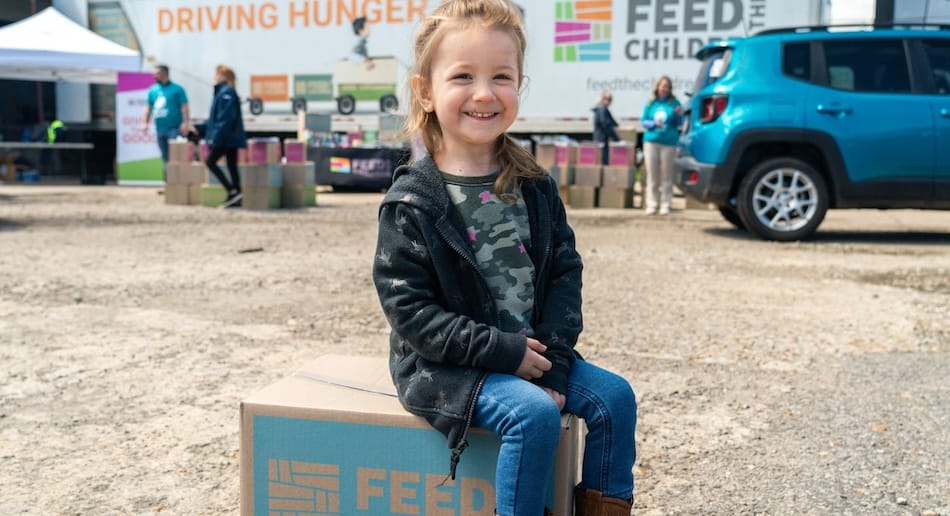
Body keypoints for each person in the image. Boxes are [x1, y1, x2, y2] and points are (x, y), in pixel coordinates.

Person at [371, 2, 636, 515]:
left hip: (531, 355)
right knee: (533, 416)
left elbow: (564, 275)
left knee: (615, 398)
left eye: (502, 76)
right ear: (425, 91)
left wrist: (554, 364)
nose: (485, 93)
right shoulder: (412, 202)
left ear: (520, 84)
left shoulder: (533, 184)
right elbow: (411, 314)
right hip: (445, 366)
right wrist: (503, 352)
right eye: (463, 76)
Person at [195, 65, 247, 208]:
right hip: (229, 137)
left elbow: (225, 119)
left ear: (224, 76)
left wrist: (215, 137)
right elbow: (214, 120)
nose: (215, 76)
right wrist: (200, 129)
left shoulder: (226, 93)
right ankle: (236, 195)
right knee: (232, 165)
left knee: (210, 162)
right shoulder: (224, 93)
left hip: (226, 138)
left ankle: (232, 191)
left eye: (218, 74)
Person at [640, 75, 682, 215]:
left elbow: (679, 123)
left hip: (669, 143)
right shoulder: (650, 104)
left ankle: (666, 204)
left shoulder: (674, 103)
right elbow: (643, 122)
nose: (665, 89)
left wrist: (677, 115)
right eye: (663, 86)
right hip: (651, 142)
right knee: (652, 174)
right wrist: (653, 124)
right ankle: (652, 204)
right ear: (657, 87)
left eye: (667, 87)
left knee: (667, 175)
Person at [142, 64, 191, 179]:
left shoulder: (177, 89)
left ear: (165, 74)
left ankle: (178, 182)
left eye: (157, 73)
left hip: (174, 129)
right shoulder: (153, 90)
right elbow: (148, 108)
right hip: (160, 129)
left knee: (175, 157)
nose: (154, 76)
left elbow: (185, 107)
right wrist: (144, 122)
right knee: (165, 157)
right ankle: (169, 184)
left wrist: (185, 123)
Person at [592, 89, 620, 165]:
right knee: (603, 162)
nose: (608, 101)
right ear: (602, 98)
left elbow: (614, 123)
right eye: (606, 98)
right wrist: (616, 138)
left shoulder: (603, 109)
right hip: (602, 141)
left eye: (610, 99)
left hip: (602, 140)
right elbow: (606, 124)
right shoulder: (602, 109)